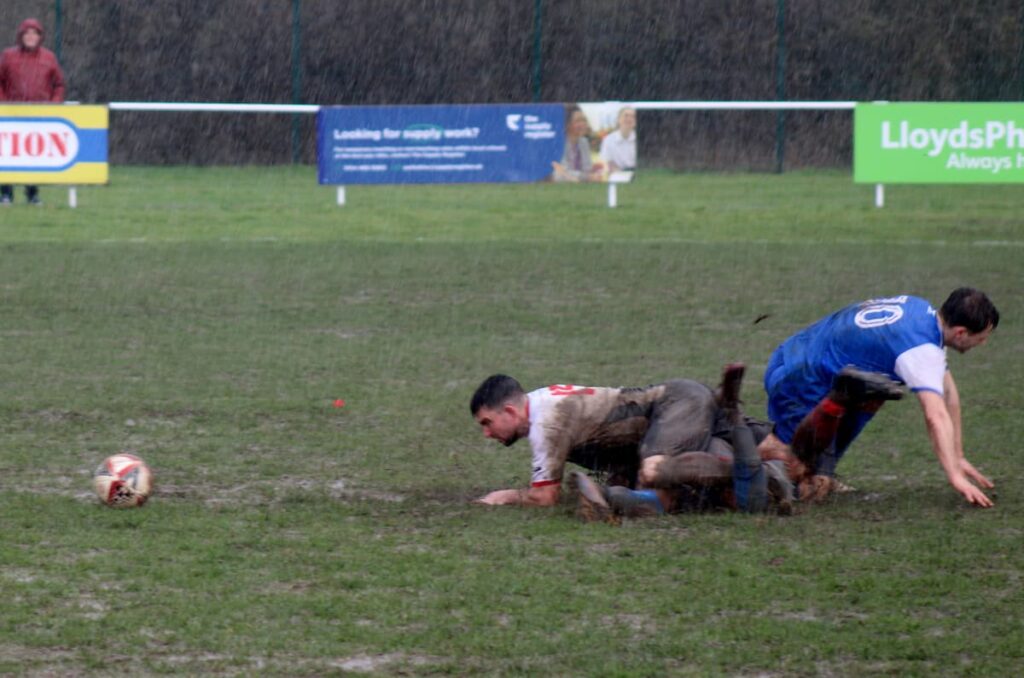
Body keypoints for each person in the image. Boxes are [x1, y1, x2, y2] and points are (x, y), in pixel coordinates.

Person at [757, 288, 999, 507]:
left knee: (873, 391)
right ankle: (746, 460)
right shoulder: (921, 350)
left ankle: (816, 471)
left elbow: (948, 395)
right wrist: (955, 476)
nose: (984, 343)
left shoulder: (923, 313)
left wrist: (958, 456)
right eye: (982, 337)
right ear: (960, 333)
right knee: (797, 474)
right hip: (800, 378)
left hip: (800, 354)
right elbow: (935, 415)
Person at [470, 364, 793, 522]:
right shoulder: (541, 402)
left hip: (675, 406)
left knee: (653, 473)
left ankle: (753, 470)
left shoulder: (546, 423)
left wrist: (507, 496)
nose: (486, 433)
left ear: (510, 411)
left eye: (487, 423)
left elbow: (545, 497)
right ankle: (774, 475)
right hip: (672, 412)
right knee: (785, 461)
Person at [0, 18, 66, 206]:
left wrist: (53, 105)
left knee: (34, 155)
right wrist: (3, 104)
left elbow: (59, 84)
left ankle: (32, 193)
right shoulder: (8, 56)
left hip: (38, 117)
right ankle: (6, 194)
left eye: (34, 34)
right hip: (10, 116)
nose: (30, 37)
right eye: (27, 33)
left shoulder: (49, 58)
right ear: (21, 36)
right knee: (7, 155)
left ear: (39, 37)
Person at [551, 106, 603, 183]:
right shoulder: (558, 143)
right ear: (567, 124)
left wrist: (594, 173)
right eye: (578, 121)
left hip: (580, 184)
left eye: (584, 120)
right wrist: (587, 177)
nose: (583, 124)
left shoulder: (584, 142)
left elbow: (587, 168)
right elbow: (562, 172)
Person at [598, 107, 637, 172]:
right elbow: (608, 162)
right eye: (626, 115)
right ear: (618, 119)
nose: (629, 119)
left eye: (633, 116)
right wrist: (622, 174)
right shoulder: (608, 140)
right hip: (617, 174)